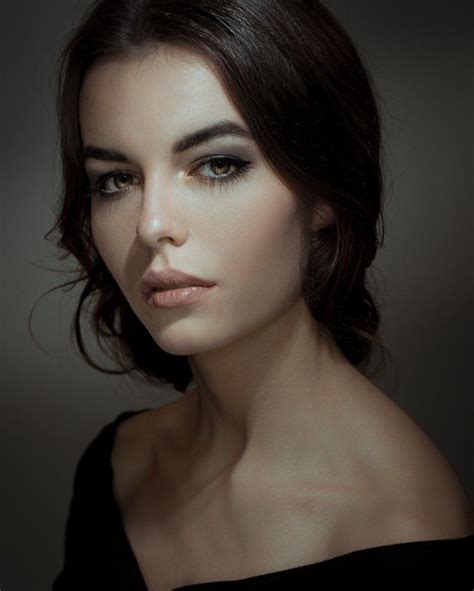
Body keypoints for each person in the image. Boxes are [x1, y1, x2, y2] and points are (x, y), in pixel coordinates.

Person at [49, 0, 473, 588]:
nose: (151, 225)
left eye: (217, 165)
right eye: (116, 180)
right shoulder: (119, 464)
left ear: (324, 190)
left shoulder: (404, 533)